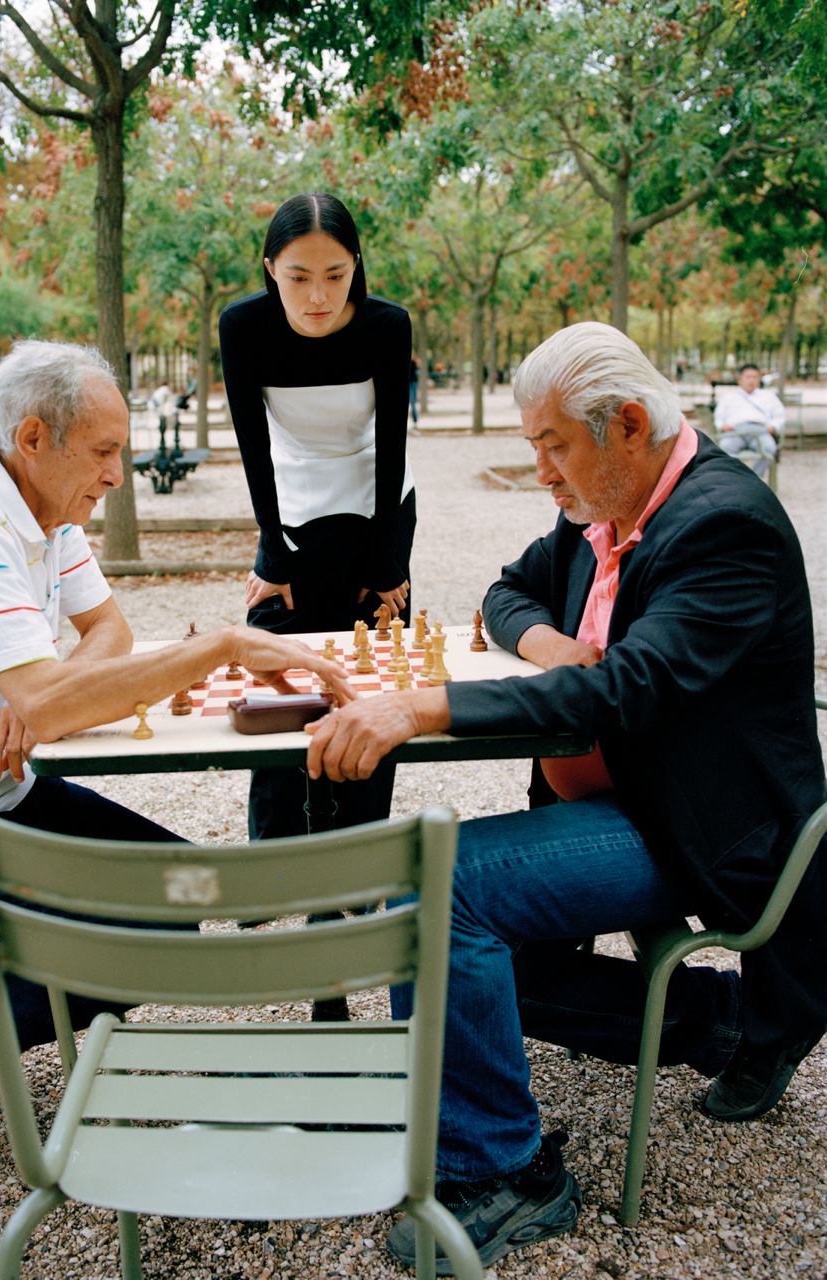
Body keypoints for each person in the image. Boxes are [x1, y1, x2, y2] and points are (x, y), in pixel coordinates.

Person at [305, 321, 827, 1270]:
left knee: (433, 889)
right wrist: (551, 642)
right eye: (533, 446)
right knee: (470, 953)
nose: (542, 470)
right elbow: (508, 593)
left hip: (696, 823)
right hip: (616, 801)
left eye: (552, 444)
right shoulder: (604, 503)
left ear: (627, 424)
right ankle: (722, 1022)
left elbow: (626, 688)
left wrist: (420, 707)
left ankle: (506, 1169)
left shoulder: (723, 526)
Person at [0, 340, 352, 1178]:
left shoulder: (41, 509)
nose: (120, 473)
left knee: (184, 889)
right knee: (158, 925)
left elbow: (104, 632)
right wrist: (214, 647)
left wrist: (44, 700)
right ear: (33, 437)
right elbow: (55, 698)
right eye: (105, 450)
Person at [218, 192, 415, 841]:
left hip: (377, 505)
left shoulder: (386, 325)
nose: (317, 296)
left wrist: (388, 566)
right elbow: (253, 447)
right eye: (298, 277)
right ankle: (270, 858)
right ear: (269, 267)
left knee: (368, 682)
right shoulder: (242, 325)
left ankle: (358, 856)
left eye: (335, 275)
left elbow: (392, 448)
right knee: (277, 679)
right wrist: (272, 556)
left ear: (357, 266)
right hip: (291, 503)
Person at [713, 362, 785, 479]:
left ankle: (753, 479)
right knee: (725, 448)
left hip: (760, 431)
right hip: (735, 431)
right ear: (740, 379)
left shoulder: (768, 396)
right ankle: (734, 480)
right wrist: (722, 426)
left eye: (755, 377)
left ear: (759, 379)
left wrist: (773, 426)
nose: (751, 380)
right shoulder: (729, 397)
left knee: (768, 448)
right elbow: (719, 417)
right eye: (748, 377)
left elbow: (779, 416)